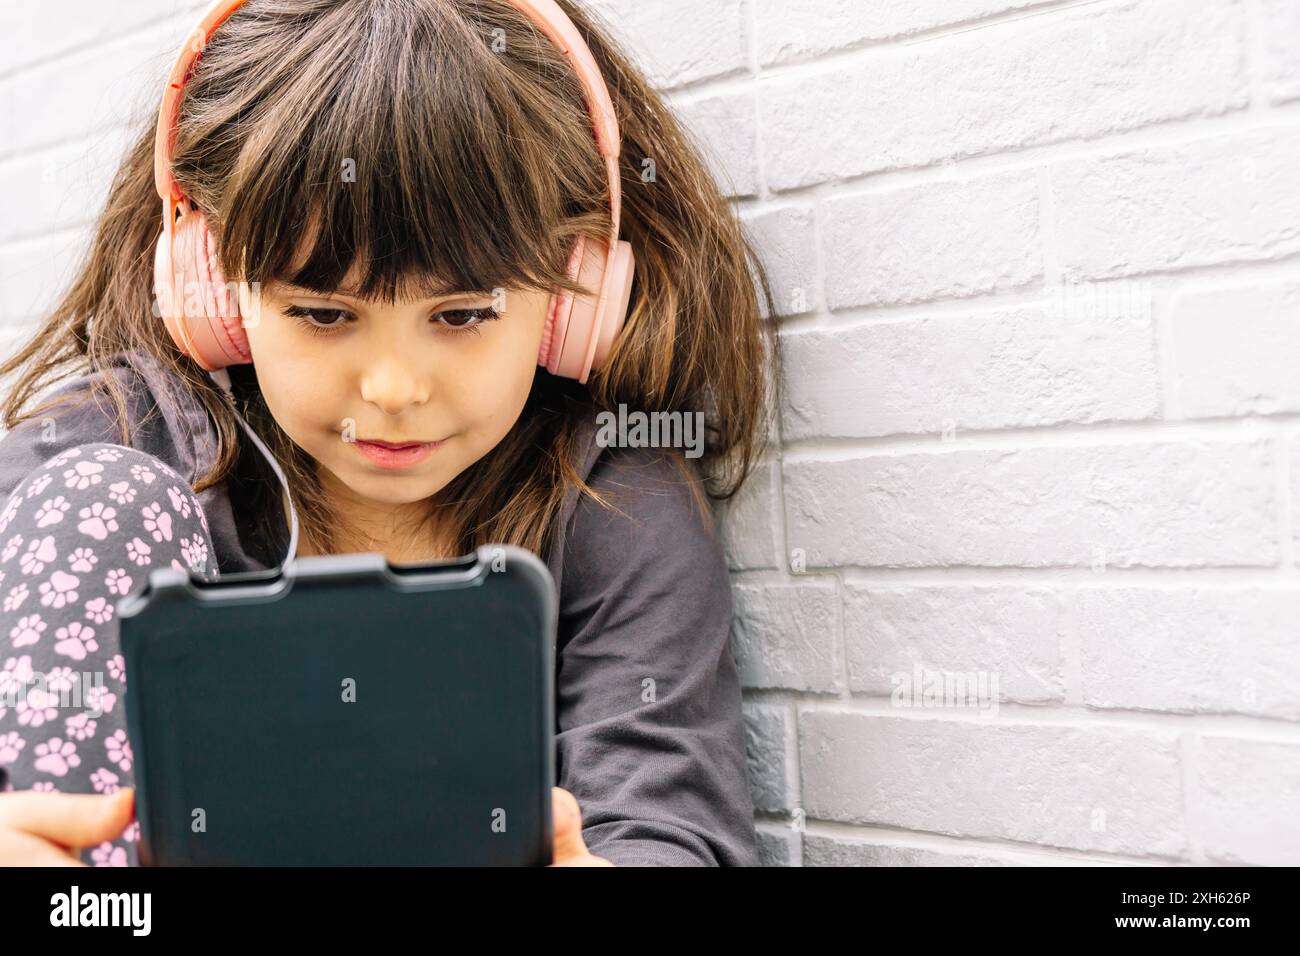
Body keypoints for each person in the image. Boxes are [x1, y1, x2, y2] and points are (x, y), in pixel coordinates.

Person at [0, 0, 780, 867]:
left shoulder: (608, 496)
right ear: (214, 291)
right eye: (325, 313)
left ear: (573, 297)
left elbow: (669, 827)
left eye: (462, 312)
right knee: (98, 500)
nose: (395, 389)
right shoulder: (91, 468)